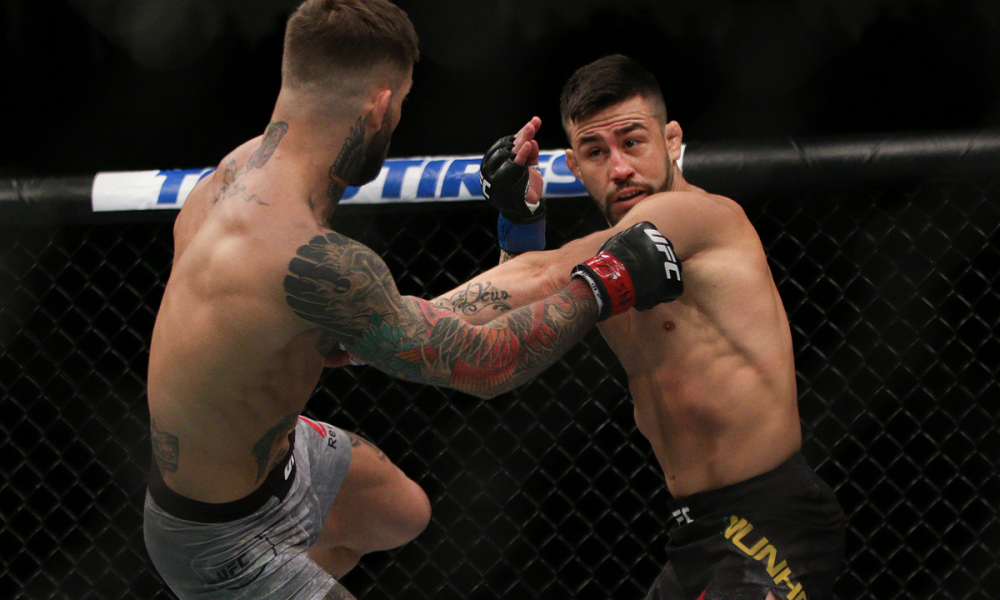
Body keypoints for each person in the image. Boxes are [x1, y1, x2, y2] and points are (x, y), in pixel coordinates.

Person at [143, 3, 683, 598]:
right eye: (400, 104)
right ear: (380, 106)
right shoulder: (303, 255)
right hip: (218, 536)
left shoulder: (235, 177)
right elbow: (487, 362)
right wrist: (605, 282)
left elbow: (408, 318)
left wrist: (521, 225)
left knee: (401, 513)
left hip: (278, 455)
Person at [435, 54, 847, 600]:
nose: (620, 167)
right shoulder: (610, 263)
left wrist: (372, 322)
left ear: (672, 140)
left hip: (773, 520)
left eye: (633, 142)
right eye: (596, 152)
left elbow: (543, 275)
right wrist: (521, 222)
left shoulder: (700, 217)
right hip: (695, 531)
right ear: (574, 166)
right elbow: (513, 327)